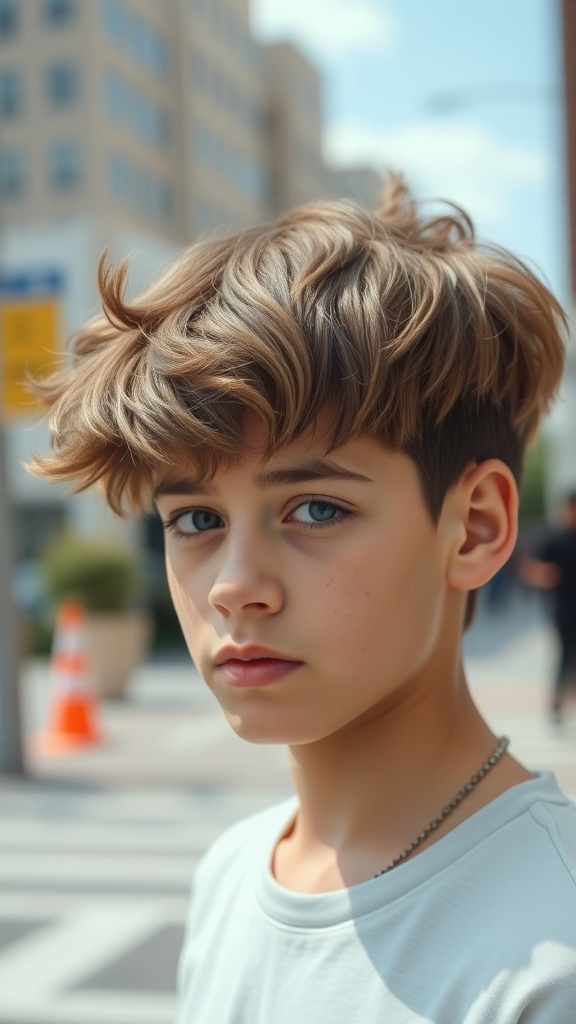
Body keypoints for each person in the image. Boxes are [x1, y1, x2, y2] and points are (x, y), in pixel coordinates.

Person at [28, 177, 576, 1022]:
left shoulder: (548, 956)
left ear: (473, 529)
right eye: (196, 519)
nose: (235, 585)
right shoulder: (231, 873)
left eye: (316, 509)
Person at [522, 490, 576, 723]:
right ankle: (557, 703)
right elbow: (530, 569)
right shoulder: (553, 538)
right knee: (565, 654)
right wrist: (544, 575)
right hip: (563, 606)